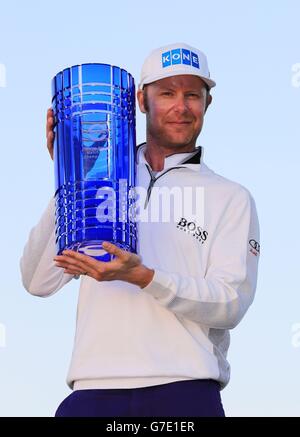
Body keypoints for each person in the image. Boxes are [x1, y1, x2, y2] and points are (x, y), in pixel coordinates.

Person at [20, 42, 260, 417]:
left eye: (192, 95)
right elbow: (37, 281)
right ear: (141, 101)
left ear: (207, 104)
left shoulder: (230, 196)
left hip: (186, 391)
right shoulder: (100, 181)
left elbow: (230, 304)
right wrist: (71, 177)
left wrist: (146, 277)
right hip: (92, 388)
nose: (181, 107)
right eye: (167, 93)